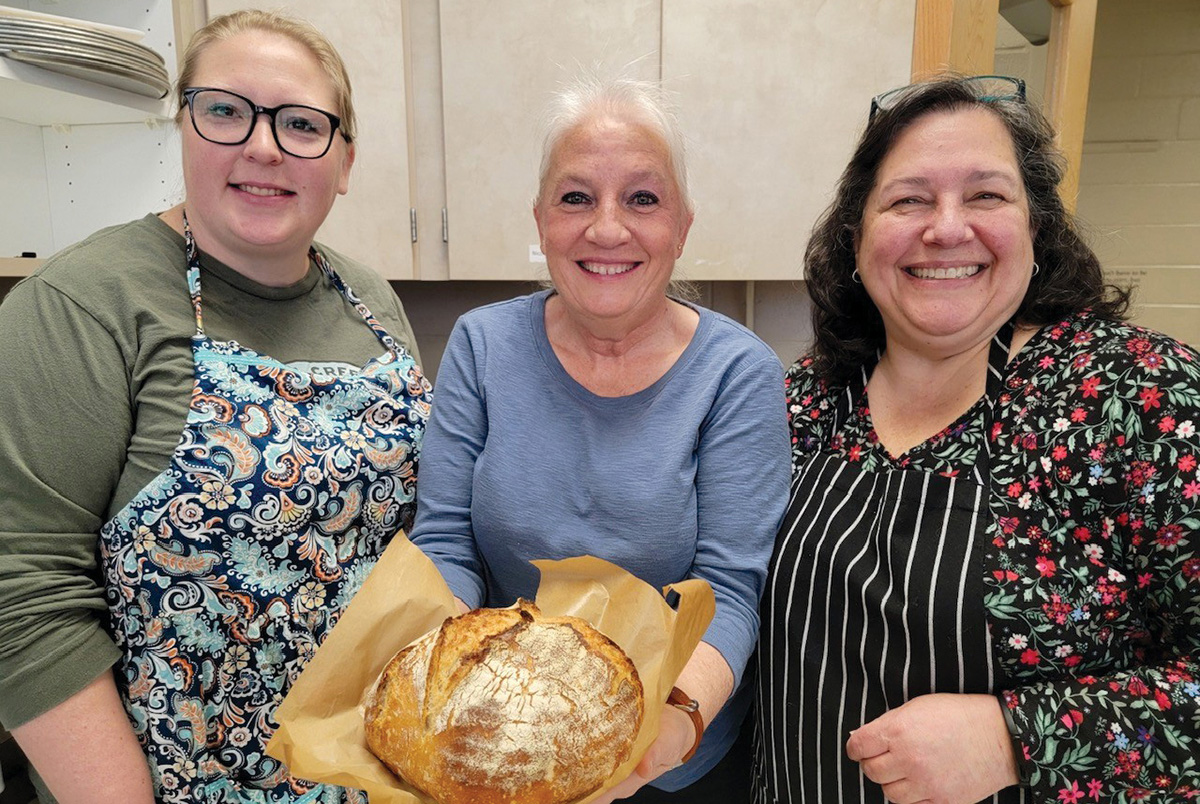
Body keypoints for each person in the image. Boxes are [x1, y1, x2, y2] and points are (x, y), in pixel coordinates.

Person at [0, 10, 430, 803]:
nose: (262, 146)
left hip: (373, 770)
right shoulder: (81, 304)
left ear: (345, 162)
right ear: (185, 128)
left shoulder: (368, 297)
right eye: (227, 111)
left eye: (302, 124)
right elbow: (21, 591)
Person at [754, 74, 1200, 804]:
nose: (947, 229)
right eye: (909, 200)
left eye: (986, 196)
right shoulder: (805, 399)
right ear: (856, 237)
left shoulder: (1137, 395)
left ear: (1036, 230)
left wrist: (1018, 738)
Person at [409, 75, 791, 803]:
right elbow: (446, 546)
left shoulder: (737, 373)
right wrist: (447, 693)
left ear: (681, 225)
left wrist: (670, 726)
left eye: (642, 199)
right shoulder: (481, 346)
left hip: (679, 763)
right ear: (541, 220)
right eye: (576, 197)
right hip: (501, 748)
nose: (607, 229)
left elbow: (729, 594)